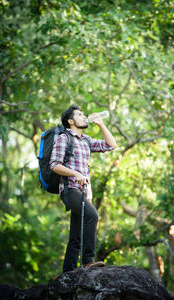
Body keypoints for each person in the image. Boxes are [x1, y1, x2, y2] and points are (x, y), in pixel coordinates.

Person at [49, 105, 117, 272]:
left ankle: (69, 272)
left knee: (76, 236)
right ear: (71, 121)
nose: (84, 116)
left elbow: (111, 145)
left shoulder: (86, 140)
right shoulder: (64, 138)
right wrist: (76, 174)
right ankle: (88, 261)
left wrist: (101, 124)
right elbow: (54, 165)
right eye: (79, 114)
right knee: (92, 215)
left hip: (84, 193)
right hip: (69, 189)